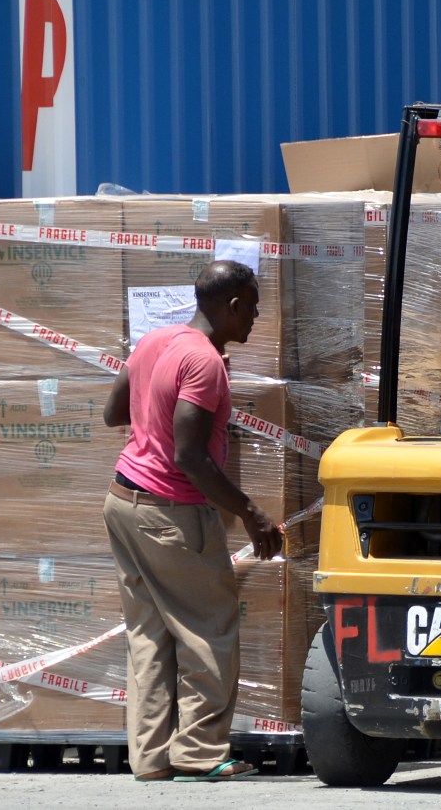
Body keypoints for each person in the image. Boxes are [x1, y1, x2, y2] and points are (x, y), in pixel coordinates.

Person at [103, 260, 282, 782]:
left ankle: (151, 757)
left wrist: (152, 415)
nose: (255, 317)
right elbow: (189, 455)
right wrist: (250, 512)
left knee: (150, 636)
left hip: (123, 502)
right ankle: (200, 753)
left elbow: (114, 413)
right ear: (232, 305)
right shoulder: (203, 361)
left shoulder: (155, 341)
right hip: (172, 514)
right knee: (208, 630)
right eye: (252, 307)